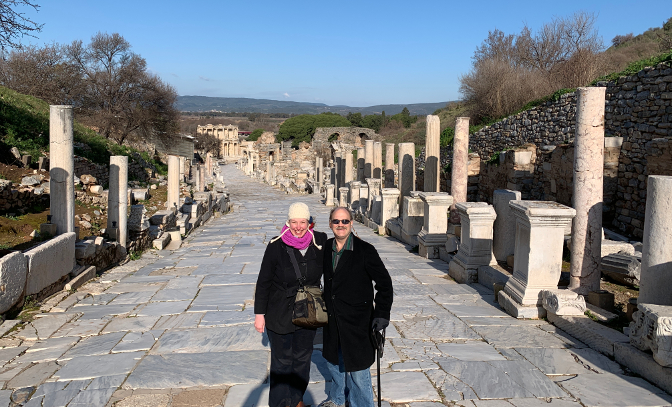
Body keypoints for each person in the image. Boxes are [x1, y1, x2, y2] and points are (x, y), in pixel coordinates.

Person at [254, 202, 328, 407]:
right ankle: (279, 403)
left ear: (309, 223)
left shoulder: (319, 241)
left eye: (302, 222)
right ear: (288, 222)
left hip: (308, 311)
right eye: (294, 222)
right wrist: (259, 314)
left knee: (303, 359)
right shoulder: (276, 245)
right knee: (282, 362)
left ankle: (296, 400)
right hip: (280, 312)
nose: (298, 227)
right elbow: (264, 281)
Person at [318, 206, 393, 407]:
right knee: (334, 363)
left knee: (359, 372)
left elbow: (385, 284)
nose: (340, 225)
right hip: (333, 319)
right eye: (336, 221)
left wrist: (382, 314)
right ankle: (337, 398)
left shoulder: (365, 250)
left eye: (344, 221)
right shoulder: (327, 248)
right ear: (330, 224)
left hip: (357, 321)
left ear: (351, 223)